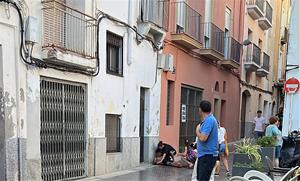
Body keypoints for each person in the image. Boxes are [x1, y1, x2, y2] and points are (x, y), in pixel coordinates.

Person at [195, 100, 218, 181]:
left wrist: (197, 130)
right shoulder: (208, 120)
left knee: (203, 179)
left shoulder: (209, 120)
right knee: (200, 178)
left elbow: (202, 138)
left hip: (207, 156)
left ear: (200, 109)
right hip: (204, 155)